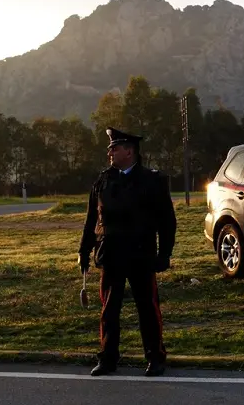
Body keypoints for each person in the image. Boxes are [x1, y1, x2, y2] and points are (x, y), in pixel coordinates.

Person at [77, 127, 177, 376]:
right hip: (110, 255)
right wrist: (84, 251)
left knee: (148, 309)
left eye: (115, 147)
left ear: (130, 151)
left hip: (141, 254)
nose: (110, 151)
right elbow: (92, 220)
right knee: (109, 310)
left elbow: (167, 221)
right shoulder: (103, 180)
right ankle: (108, 358)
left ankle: (155, 358)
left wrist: (164, 253)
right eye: (110, 147)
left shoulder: (152, 181)